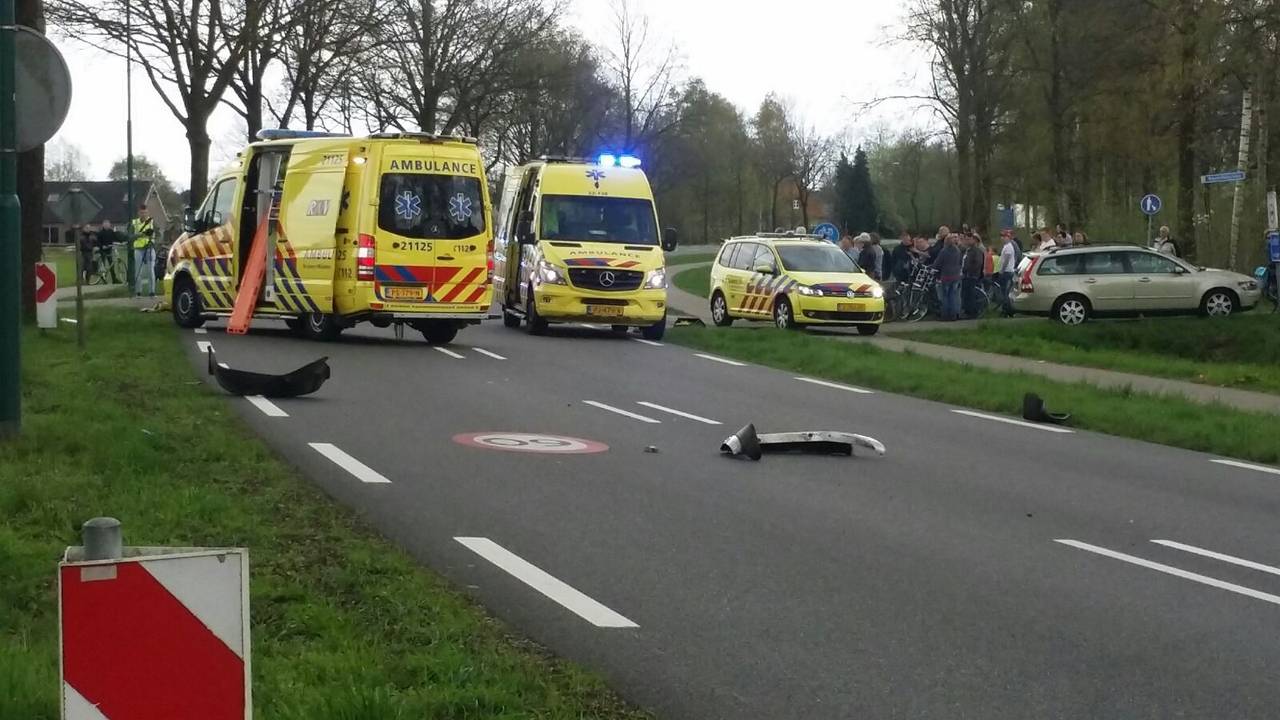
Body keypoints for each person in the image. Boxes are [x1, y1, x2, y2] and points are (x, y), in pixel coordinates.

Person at [932, 233, 963, 321]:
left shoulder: (944, 251)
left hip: (946, 276)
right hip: (956, 276)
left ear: (945, 242)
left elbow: (937, 263)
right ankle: (953, 315)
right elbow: (960, 262)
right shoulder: (957, 250)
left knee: (945, 296)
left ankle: (945, 315)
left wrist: (932, 267)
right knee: (953, 295)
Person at [130, 205, 158, 297]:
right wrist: (141, 235)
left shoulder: (152, 222)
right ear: (139, 213)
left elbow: (159, 234)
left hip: (149, 247)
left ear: (148, 212)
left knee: (151, 270)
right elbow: (130, 236)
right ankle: (138, 292)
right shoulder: (134, 223)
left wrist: (154, 243)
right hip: (138, 248)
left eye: (145, 212)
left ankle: (152, 292)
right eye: (142, 213)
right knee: (138, 271)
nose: (144, 214)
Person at [961, 233, 985, 319]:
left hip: (972, 276)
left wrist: (968, 270)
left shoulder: (976, 251)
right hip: (966, 276)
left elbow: (978, 263)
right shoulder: (967, 250)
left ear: (973, 240)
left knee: (971, 294)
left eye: (969, 239)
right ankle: (967, 311)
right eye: (966, 239)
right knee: (966, 294)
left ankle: (972, 313)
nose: (967, 241)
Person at [998, 230, 1019, 317]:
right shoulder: (1006, 246)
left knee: (1005, 293)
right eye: (1002, 236)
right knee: (1005, 292)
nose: (1002, 238)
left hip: (1007, 272)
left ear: (1008, 237)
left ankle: (1007, 310)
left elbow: (1006, 260)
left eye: (1004, 236)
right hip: (1007, 271)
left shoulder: (1008, 247)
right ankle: (1008, 310)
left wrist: (1002, 270)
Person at [95, 220, 122, 284]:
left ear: (110, 225)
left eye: (108, 224)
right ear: (103, 225)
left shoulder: (111, 232)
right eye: (105, 224)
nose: (107, 226)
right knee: (103, 265)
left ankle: (114, 279)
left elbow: (116, 238)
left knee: (111, 265)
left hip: (109, 250)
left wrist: (120, 242)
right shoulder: (100, 233)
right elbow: (97, 242)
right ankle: (103, 277)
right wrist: (102, 246)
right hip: (103, 251)